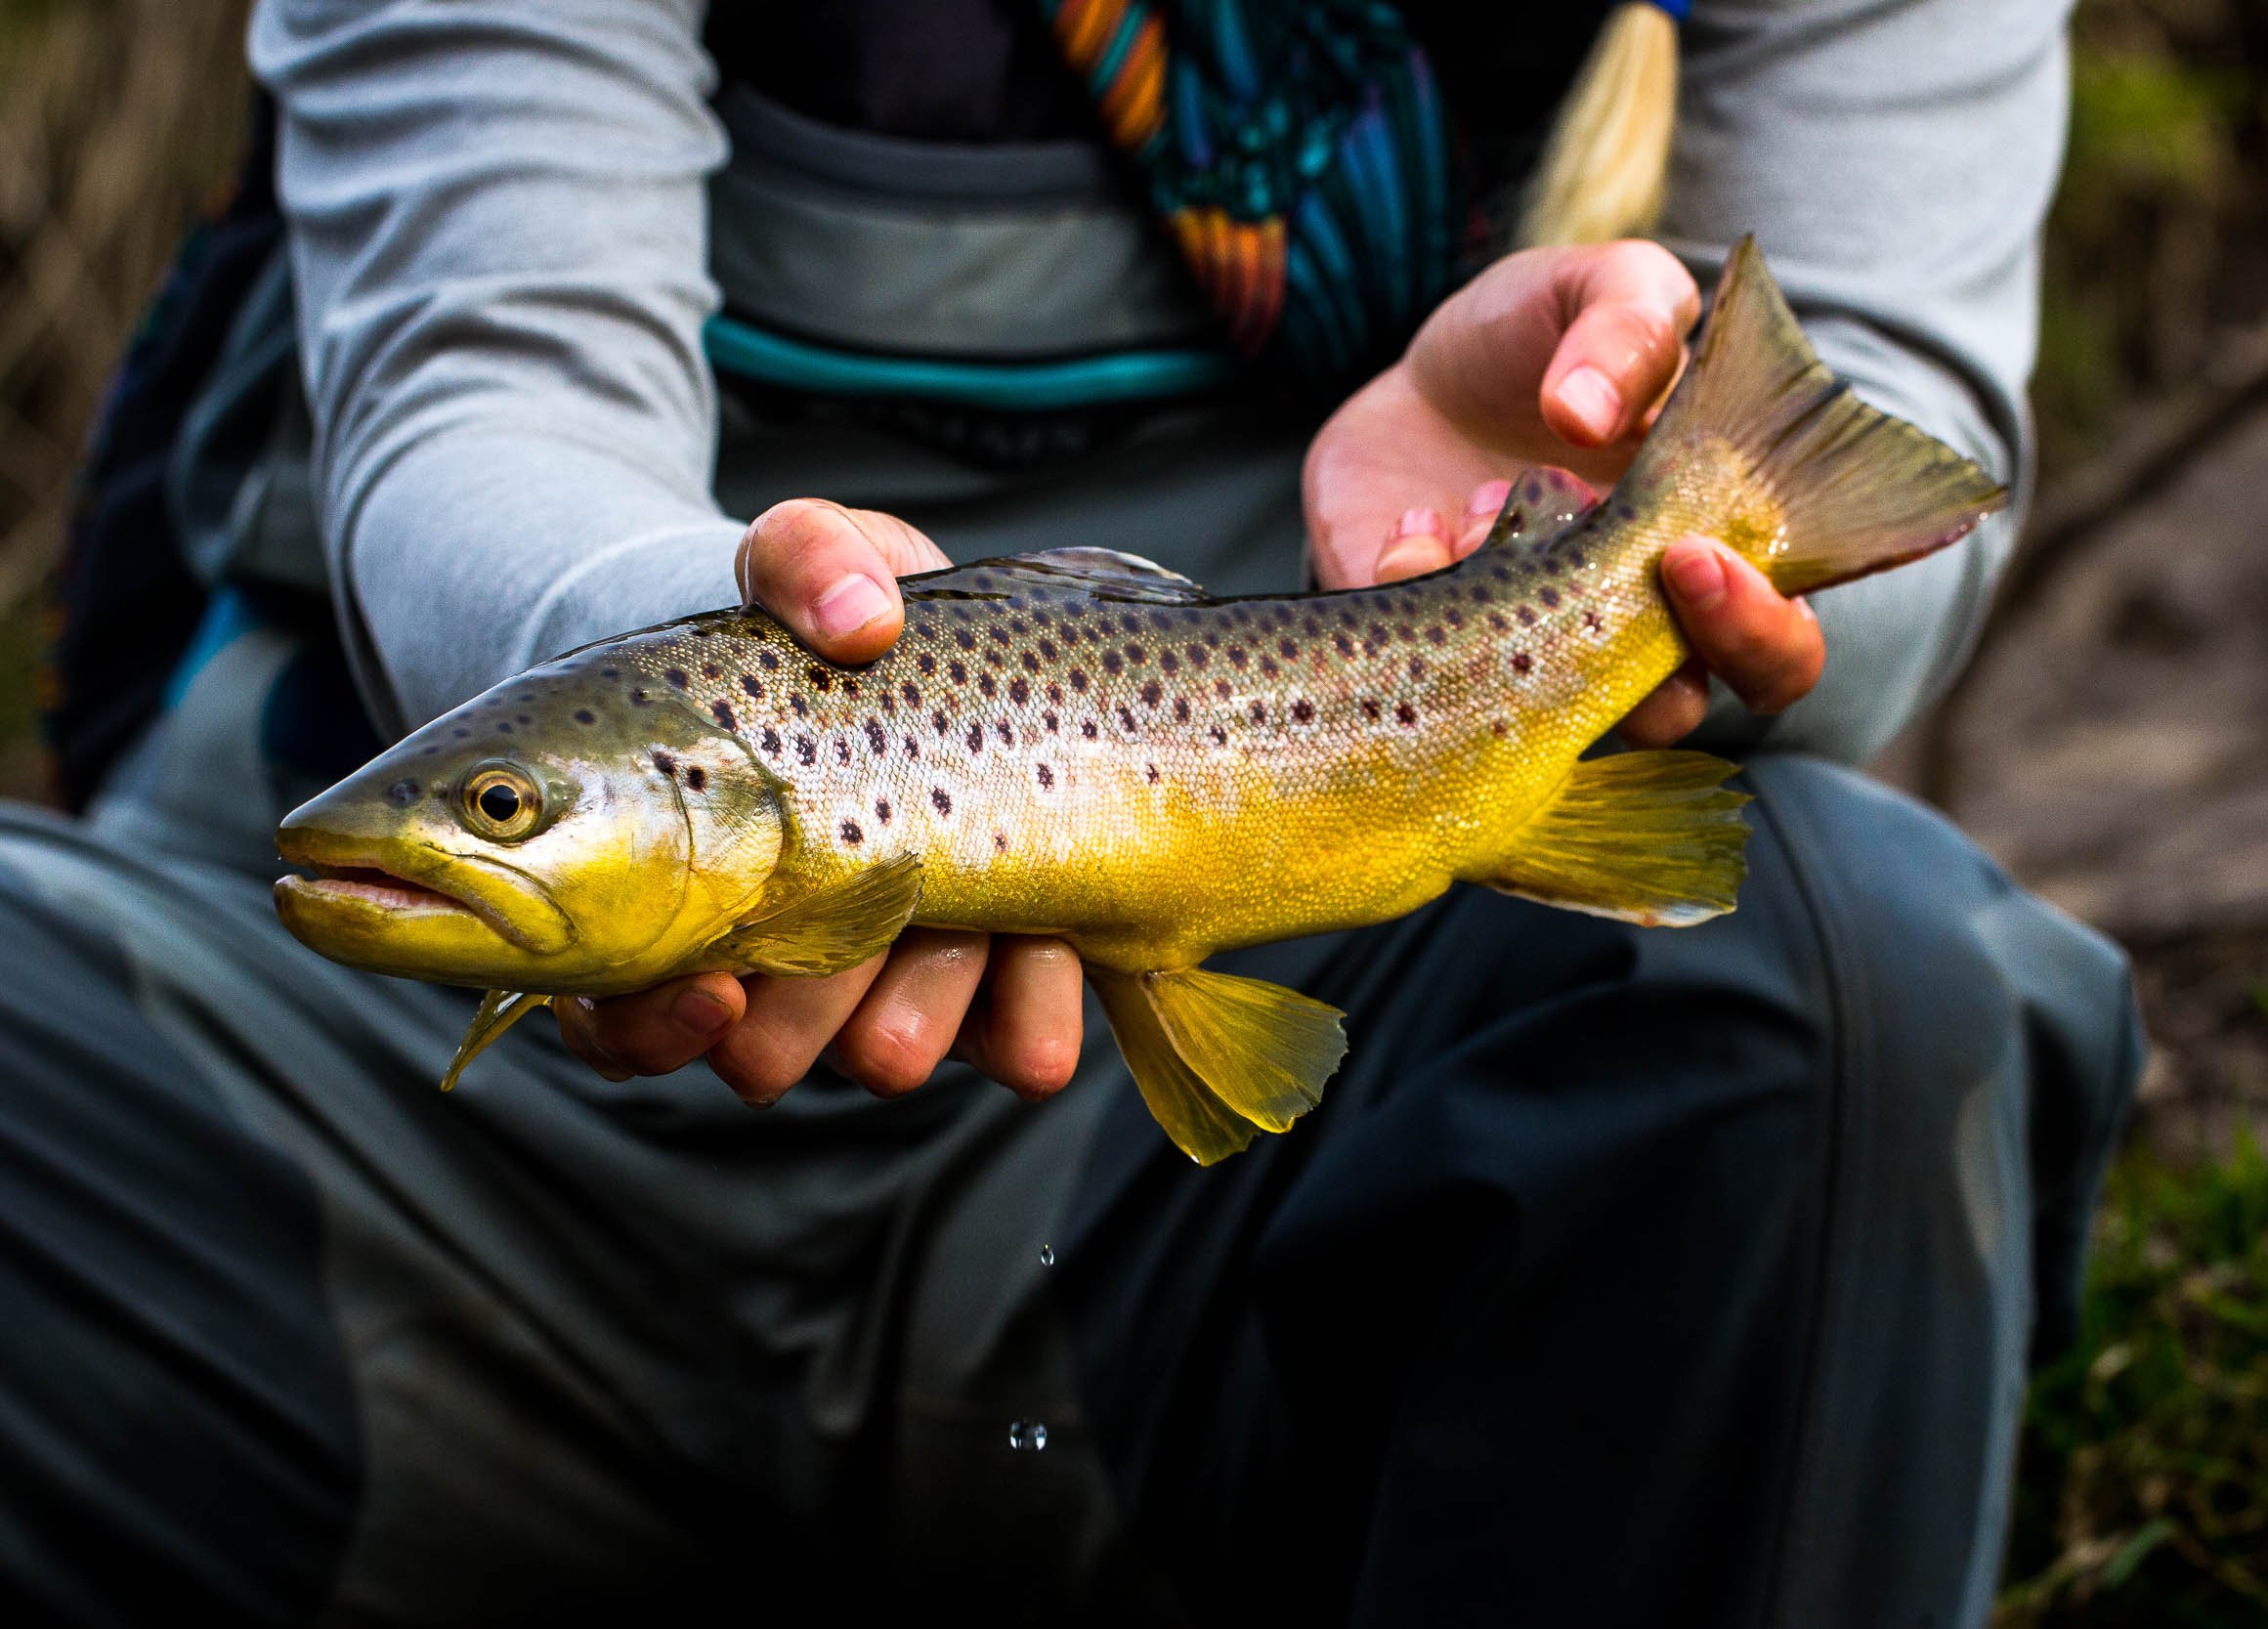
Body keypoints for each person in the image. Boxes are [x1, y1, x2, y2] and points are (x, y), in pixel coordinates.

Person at [4, 1, 2138, 1623]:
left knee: (1863, 975)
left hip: (1198, 1142)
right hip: (348, 1147)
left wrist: (1605, 503)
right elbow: (482, 382)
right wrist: (720, 644)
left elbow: (1892, 462)